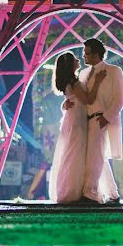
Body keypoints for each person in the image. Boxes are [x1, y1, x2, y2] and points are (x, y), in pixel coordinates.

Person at [64, 38, 123, 206]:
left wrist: (106, 117)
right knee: (97, 157)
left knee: (94, 157)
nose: (83, 56)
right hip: (85, 122)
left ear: (97, 54)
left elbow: (120, 98)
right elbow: (80, 97)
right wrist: (65, 104)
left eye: (87, 53)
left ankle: (90, 193)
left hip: (101, 119)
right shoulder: (83, 74)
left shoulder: (114, 71)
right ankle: (112, 194)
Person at [48, 52, 108, 204]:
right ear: (70, 64)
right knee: (77, 154)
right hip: (77, 121)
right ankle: (73, 191)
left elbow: (70, 100)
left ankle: (72, 190)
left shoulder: (70, 82)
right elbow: (88, 99)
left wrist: (64, 104)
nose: (78, 59)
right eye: (74, 59)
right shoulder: (74, 83)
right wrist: (98, 82)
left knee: (73, 153)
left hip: (74, 119)